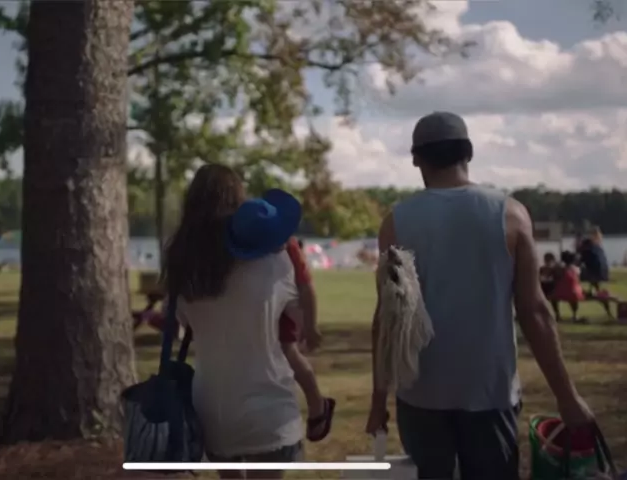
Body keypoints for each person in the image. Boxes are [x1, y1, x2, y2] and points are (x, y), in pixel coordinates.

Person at [364, 112, 595, 479]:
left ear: (416, 159)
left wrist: (378, 402)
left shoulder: (396, 223)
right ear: (468, 153)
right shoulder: (511, 215)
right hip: (490, 391)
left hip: (420, 392)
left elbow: (387, 320)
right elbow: (535, 312)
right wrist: (567, 397)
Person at [161, 166, 330, 478]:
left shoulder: (182, 266)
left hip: (211, 410)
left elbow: (179, 322)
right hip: (269, 410)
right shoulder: (273, 261)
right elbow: (299, 315)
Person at [278, 235, 336, 442]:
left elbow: (305, 284)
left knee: (288, 351)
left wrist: (310, 326)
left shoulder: (288, 243)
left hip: (282, 306)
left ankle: (317, 404)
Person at [550, 251, 586, 323]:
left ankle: (557, 315)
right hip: (574, 292)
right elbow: (577, 280)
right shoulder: (576, 269)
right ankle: (574, 315)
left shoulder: (559, 268)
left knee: (552, 297)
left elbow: (554, 278)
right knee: (573, 295)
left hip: (560, 292)